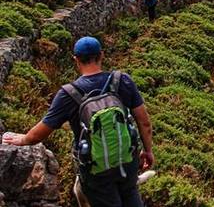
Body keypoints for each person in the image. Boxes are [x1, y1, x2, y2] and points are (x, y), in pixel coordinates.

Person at [2, 36, 154, 207]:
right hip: (127, 159)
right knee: (131, 194)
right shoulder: (122, 80)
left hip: (95, 169)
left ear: (76, 59)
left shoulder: (69, 93)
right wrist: (148, 151)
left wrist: (23, 139)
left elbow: (41, 132)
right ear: (101, 55)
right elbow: (144, 122)